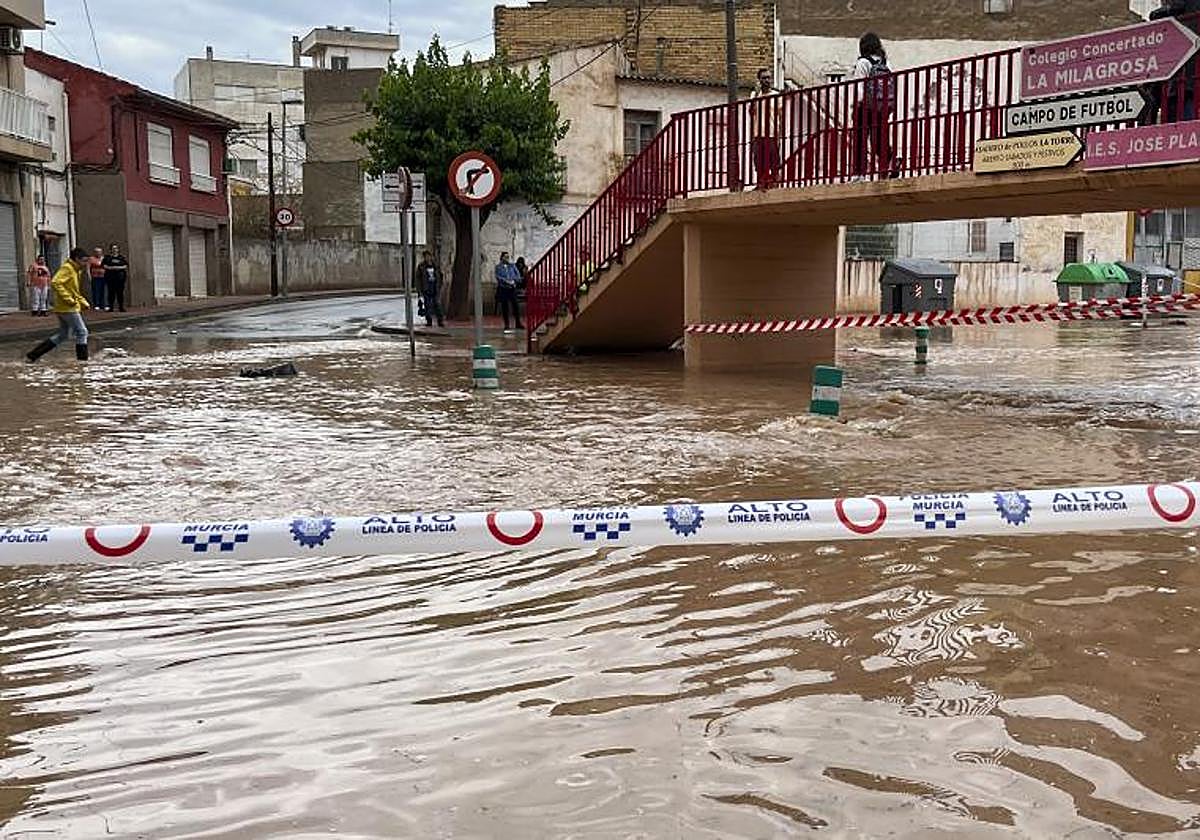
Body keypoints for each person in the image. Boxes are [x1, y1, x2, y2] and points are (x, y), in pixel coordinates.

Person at [25, 247, 91, 363]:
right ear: (76, 259)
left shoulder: (75, 270)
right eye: (84, 261)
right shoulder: (68, 268)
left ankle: (33, 355)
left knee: (63, 335)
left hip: (65, 306)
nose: (85, 264)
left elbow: (73, 290)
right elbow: (56, 282)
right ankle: (82, 361)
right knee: (82, 332)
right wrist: (68, 299)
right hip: (67, 307)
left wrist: (82, 302)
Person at [851, 33, 898, 181]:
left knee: (860, 139)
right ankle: (889, 162)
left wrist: (856, 105)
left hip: (865, 107)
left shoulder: (863, 62)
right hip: (882, 107)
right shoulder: (886, 63)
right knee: (879, 139)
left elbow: (859, 87)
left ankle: (859, 174)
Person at [749, 67, 781, 190]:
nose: (767, 80)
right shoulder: (754, 95)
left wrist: (779, 134)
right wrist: (756, 95)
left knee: (773, 159)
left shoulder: (776, 95)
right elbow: (751, 112)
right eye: (764, 78)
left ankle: (773, 182)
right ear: (759, 80)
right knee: (758, 159)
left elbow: (780, 116)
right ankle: (761, 183)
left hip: (772, 133)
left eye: (768, 77)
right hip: (758, 133)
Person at [414, 250, 445, 328]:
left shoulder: (436, 266)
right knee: (427, 305)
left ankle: (440, 321)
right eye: (426, 256)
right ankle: (429, 321)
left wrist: (439, 285)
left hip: (435, 288)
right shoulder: (421, 267)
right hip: (426, 289)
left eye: (429, 256)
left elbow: (440, 276)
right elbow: (418, 280)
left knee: (437, 305)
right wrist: (420, 292)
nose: (428, 258)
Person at [494, 251, 523, 332]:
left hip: (512, 288)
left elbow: (518, 275)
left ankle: (518, 323)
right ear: (502, 257)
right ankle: (507, 324)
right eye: (505, 257)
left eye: (508, 257)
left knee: (515, 306)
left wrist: (514, 280)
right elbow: (498, 277)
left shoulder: (512, 266)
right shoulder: (498, 267)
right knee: (505, 307)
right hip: (503, 288)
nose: (507, 258)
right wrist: (506, 281)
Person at [102, 243, 129, 312]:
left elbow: (125, 266)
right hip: (110, 278)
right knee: (111, 293)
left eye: (116, 248)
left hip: (120, 279)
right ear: (111, 250)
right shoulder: (107, 258)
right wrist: (112, 268)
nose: (115, 250)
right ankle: (111, 307)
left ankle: (121, 307)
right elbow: (104, 266)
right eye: (113, 249)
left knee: (120, 293)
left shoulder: (121, 258)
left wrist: (116, 267)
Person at [87, 247, 107, 311]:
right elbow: (88, 268)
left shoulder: (104, 258)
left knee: (103, 291)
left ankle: (103, 304)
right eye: (97, 252)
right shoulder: (91, 259)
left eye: (100, 252)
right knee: (96, 290)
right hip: (95, 277)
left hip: (103, 276)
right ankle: (96, 304)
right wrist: (89, 276)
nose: (98, 253)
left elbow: (106, 267)